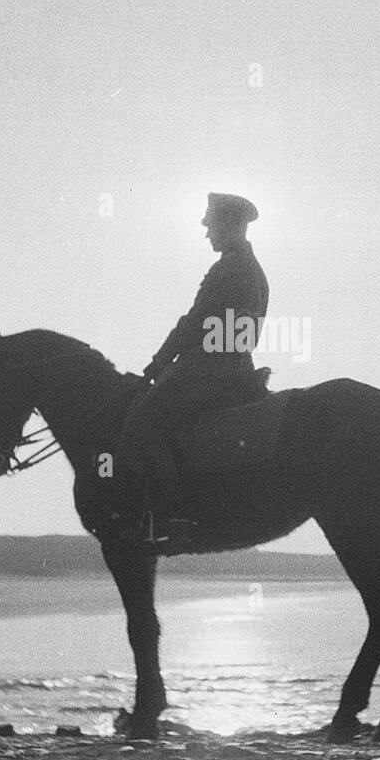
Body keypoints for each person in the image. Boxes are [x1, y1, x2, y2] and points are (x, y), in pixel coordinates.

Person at [122, 192, 269, 544]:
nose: (207, 234)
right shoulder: (248, 267)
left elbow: (193, 323)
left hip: (212, 368)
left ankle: (170, 519)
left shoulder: (230, 268)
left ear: (230, 225)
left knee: (142, 424)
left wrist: (155, 366)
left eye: (211, 226)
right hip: (233, 363)